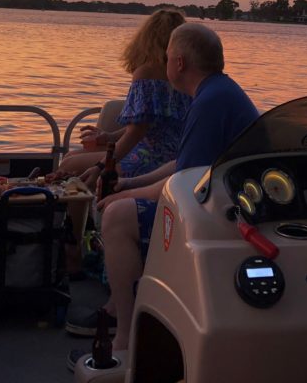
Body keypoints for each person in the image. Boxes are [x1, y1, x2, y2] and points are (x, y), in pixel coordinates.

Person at [66, 23, 258, 359]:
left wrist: (121, 198)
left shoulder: (209, 103)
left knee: (116, 216)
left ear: (179, 63)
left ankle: (124, 339)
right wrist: (130, 184)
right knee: (121, 204)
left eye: (168, 57)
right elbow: (185, 166)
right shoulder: (215, 93)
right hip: (224, 198)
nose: (165, 63)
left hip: (221, 212)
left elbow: (185, 187)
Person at [59, 8, 192, 184]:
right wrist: (110, 137)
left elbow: (136, 133)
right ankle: (86, 209)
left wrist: (101, 167)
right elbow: (148, 124)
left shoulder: (147, 73)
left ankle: (76, 210)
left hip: (150, 158)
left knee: (69, 164)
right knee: (72, 156)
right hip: (177, 156)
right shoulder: (187, 74)